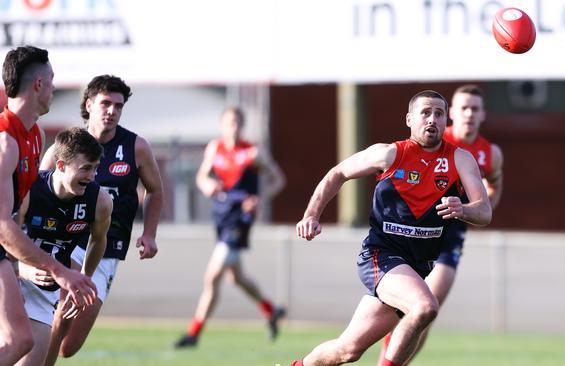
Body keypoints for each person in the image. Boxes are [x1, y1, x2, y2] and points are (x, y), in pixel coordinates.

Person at [291, 90, 492, 366]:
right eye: (425, 112)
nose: (432, 119)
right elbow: (337, 173)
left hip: (416, 266)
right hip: (380, 256)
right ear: (409, 119)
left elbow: (484, 211)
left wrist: (464, 209)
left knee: (348, 350)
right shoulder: (389, 154)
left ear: (447, 121)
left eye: (439, 113)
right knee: (425, 306)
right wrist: (311, 214)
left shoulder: (460, 159)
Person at [31, 74, 164, 365]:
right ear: (89, 105)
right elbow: (38, 190)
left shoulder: (136, 147)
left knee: (69, 345)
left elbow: (155, 190)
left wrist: (150, 233)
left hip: (106, 246)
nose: (112, 111)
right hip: (66, 239)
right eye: (106, 103)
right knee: (60, 312)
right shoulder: (64, 147)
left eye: (118, 106)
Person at [376, 84, 504, 364]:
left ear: (483, 115)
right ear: (453, 114)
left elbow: (494, 185)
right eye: (464, 108)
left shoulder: (489, 153)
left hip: (450, 233)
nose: (469, 113)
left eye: (475, 108)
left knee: (428, 310)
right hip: (414, 233)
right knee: (408, 309)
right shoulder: (435, 138)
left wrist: (477, 208)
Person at [0, 45, 96, 365]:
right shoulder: (5, 144)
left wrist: (22, 266)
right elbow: (2, 224)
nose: (55, 88)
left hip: (6, 253)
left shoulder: (36, 136)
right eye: (52, 81)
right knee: (18, 340)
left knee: (21, 341)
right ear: (39, 85)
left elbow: (19, 213)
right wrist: (57, 269)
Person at [174, 106, 286, 348]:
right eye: (228, 122)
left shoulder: (253, 152)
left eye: (236, 122)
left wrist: (259, 198)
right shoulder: (215, 148)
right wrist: (207, 185)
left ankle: (194, 333)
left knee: (212, 274)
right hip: (221, 217)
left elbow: (277, 179)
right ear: (222, 125)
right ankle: (271, 310)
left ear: (242, 125)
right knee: (236, 278)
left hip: (240, 220)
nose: (232, 126)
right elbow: (202, 177)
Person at [15, 127, 112, 366]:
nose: (91, 177)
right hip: (10, 279)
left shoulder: (99, 201)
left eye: (95, 168)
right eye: (85, 168)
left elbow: (99, 240)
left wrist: (83, 280)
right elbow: (4, 235)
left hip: (41, 294)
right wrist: (21, 268)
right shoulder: (28, 190)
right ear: (60, 166)